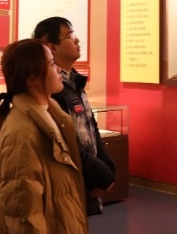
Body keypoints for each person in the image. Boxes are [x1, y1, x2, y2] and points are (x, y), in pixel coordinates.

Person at [0, 39, 93, 234]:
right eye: (52, 64)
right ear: (32, 79)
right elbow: (24, 218)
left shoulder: (49, 113)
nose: (58, 70)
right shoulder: (22, 134)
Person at [34, 17, 116, 216]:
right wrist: (100, 174)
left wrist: (107, 167)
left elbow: (91, 127)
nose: (77, 40)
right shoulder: (52, 89)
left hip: (86, 179)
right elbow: (65, 144)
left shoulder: (74, 82)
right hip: (68, 183)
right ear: (52, 47)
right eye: (70, 36)